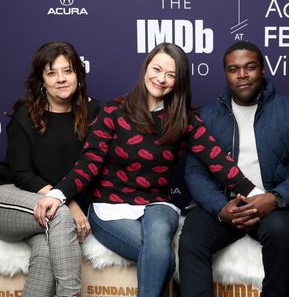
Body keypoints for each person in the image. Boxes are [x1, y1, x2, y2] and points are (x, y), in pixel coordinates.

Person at [33, 42, 260, 297]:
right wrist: (58, 194)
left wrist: (256, 194)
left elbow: (217, 159)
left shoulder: (183, 119)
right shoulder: (113, 112)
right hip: (111, 207)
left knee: (159, 232)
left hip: (156, 205)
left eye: (171, 74)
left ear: (179, 81)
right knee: (161, 256)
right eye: (157, 69)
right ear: (145, 68)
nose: (161, 79)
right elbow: (89, 163)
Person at [178, 40, 289, 297]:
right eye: (234, 69)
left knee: (281, 232)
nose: (242, 75)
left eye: (250, 67)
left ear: (263, 69)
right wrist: (221, 209)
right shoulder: (206, 117)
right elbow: (194, 173)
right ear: (225, 73)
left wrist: (275, 198)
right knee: (191, 239)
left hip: (272, 204)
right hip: (224, 203)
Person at [0, 41, 100, 297]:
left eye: (67, 71)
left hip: (49, 207)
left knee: (46, 250)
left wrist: (65, 199)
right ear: (41, 80)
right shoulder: (25, 114)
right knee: (61, 216)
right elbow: (22, 174)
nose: (61, 79)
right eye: (51, 73)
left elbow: (91, 168)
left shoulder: (92, 112)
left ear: (78, 74)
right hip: (9, 195)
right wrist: (65, 202)